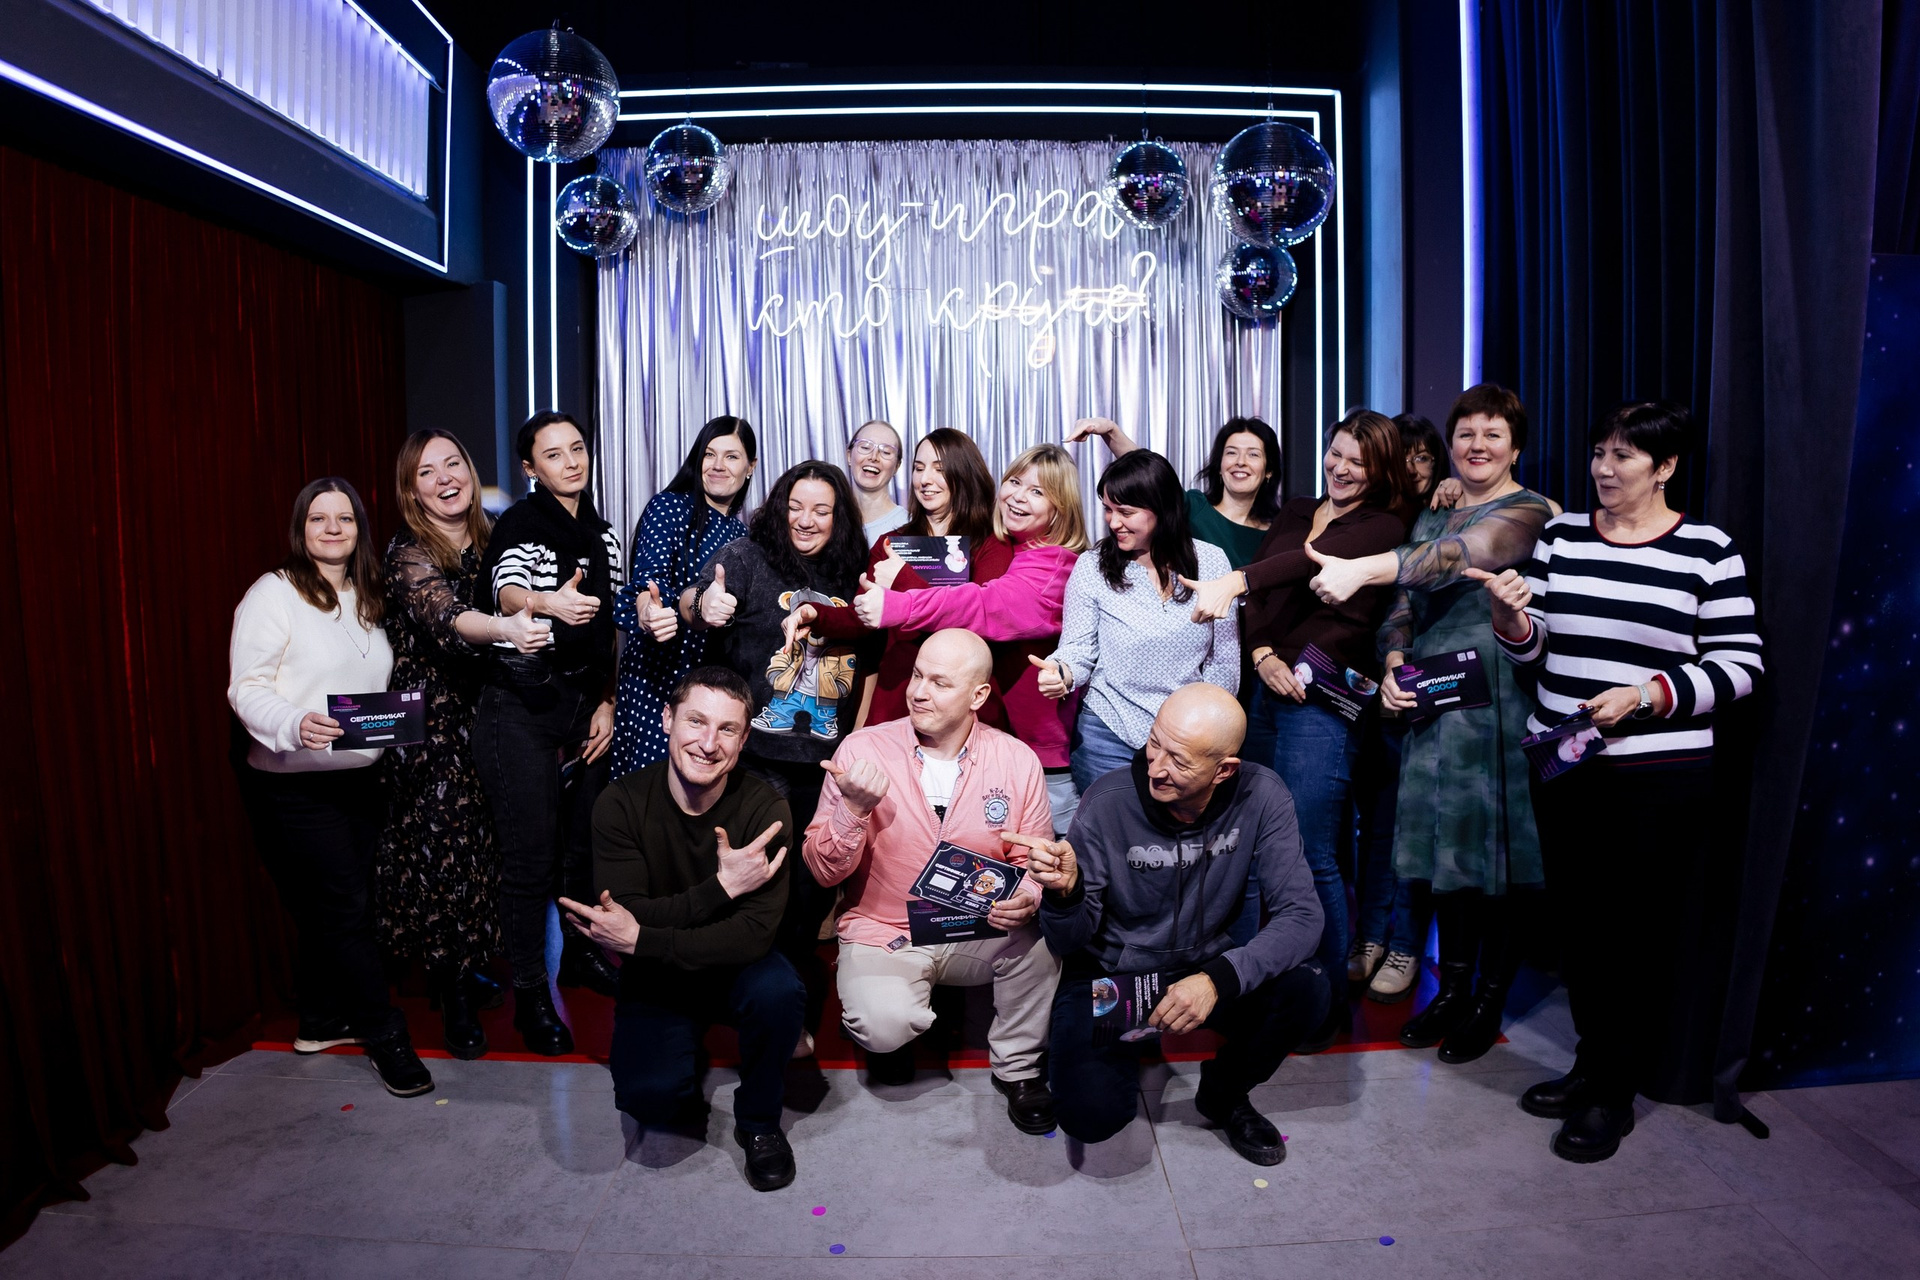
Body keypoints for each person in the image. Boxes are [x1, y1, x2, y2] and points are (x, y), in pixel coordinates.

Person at [1480, 401, 1763, 1163]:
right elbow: (1534, 648)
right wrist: (1509, 620)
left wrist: (1647, 695)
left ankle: (1612, 1094)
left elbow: (1741, 665)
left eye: (1623, 457)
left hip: (1657, 779)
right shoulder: (1564, 536)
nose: (1604, 469)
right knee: (1581, 930)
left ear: (1665, 467)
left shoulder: (1707, 550)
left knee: (1634, 936)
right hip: (1564, 765)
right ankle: (1591, 1063)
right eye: (1598, 453)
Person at [1303, 386, 1556, 1063]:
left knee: (1494, 856)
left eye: (1493, 434)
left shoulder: (1532, 511)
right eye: (1466, 433)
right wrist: (1393, 661)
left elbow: (1465, 554)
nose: (1477, 445)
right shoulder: (1433, 510)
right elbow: (1402, 605)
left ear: (1516, 447)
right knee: (1444, 856)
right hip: (1430, 698)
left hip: (1498, 701)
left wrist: (1362, 569)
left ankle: (1487, 1000)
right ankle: (1453, 989)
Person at [1180, 410, 1415, 1039]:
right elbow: (1263, 596)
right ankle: (1261, 988)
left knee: (1311, 857)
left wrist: (1233, 580)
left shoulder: (1382, 525)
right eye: (1336, 453)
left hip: (1321, 706)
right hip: (1264, 693)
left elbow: (1303, 567)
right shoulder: (1296, 510)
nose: (1342, 468)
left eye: (1358, 461)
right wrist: (1261, 654)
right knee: (1254, 849)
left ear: (1380, 470)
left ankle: (1325, 1005)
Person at [1032, 683, 1327, 1162]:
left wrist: (1216, 979)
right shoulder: (1108, 802)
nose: (1156, 767)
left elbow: (1303, 916)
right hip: (1115, 974)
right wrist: (1065, 895)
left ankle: (1224, 1094)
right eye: (1155, 743)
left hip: (1204, 966)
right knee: (1090, 1117)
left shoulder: (1263, 795)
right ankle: (1117, 1046)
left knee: (1308, 988)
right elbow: (1068, 940)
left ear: (1224, 770)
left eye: (1180, 761)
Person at [802, 629, 1060, 1133]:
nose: (919, 692)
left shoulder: (1016, 759)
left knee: (1046, 940)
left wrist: (1028, 896)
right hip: (885, 928)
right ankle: (896, 1028)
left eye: (940, 683)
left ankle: (1019, 1068)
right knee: (883, 1027)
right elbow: (822, 869)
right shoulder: (863, 749)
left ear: (978, 696)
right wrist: (853, 809)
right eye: (917, 676)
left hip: (977, 926)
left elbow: (1033, 858)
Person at [559, 666, 802, 1191]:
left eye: (727, 729)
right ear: (668, 719)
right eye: (696, 721)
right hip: (658, 975)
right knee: (653, 1100)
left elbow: (751, 935)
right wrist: (722, 889)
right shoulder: (620, 804)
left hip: (733, 965)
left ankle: (760, 1121)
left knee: (780, 992)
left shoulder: (766, 809)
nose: (708, 744)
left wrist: (644, 937)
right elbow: (627, 914)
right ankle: (683, 1044)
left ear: (744, 739)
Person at [228, 478, 432, 1097]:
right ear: (301, 528)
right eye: (319, 518)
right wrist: (294, 723)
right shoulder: (273, 593)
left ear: (359, 528)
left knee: (337, 907)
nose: (333, 528)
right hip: (297, 787)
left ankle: (319, 1020)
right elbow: (246, 688)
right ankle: (385, 1035)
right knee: (347, 909)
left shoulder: (366, 596)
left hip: (361, 780)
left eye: (345, 518)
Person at [378, 431, 553, 1059]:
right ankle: (450, 989)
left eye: (453, 463)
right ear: (412, 490)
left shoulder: (495, 536)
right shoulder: (406, 552)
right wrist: (507, 627)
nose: (445, 478)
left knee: (486, 848)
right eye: (427, 472)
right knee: (442, 853)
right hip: (430, 725)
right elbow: (447, 622)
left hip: (491, 710)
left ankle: (474, 963)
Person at [686, 460, 871, 1049]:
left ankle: (786, 1010)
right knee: (758, 884)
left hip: (827, 763)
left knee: (811, 892)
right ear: (778, 507)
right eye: (795, 506)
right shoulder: (747, 557)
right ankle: (748, 1007)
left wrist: (860, 740)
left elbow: (874, 657)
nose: (806, 520)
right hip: (759, 757)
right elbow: (699, 597)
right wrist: (702, 605)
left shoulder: (856, 570)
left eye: (821, 509)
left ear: (839, 516)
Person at [472, 411, 624, 1055]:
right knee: (530, 859)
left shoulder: (604, 535)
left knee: (582, 849)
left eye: (578, 448)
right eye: (553, 454)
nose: (571, 461)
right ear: (530, 468)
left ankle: (580, 958)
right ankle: (532, 993)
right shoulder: (522, 523)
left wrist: (608, 699)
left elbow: (613, 628)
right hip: (519, 706)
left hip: (583, 706)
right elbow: (506, 591)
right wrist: (546, 602)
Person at [852, 443, 1088, 834]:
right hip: (1000, 741)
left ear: (1060, 508)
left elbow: (983, 607)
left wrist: (901, 595)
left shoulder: (1053, 563)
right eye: (1015, 482)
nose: (1018, 496)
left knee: (1044, 862)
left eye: (1037, 491)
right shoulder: (1012, 548)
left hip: (1043, 757)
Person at [1032, 450, 1240, 797]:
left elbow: (1224, 662)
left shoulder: (1212, 562)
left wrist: (1205, 729)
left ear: (1162, 508)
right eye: (1108, 509)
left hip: (1188, 737)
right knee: (1109, 829)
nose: (1113, 522)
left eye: (1126, 512)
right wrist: (1061, 673)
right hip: (1108, 730)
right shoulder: (1093, 566)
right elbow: (1077, 649)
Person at [796, 429, 1014, 733]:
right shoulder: (892, 542)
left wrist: (902, 580)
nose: (925, 479)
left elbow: (976, 623)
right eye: (918, 468)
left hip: (960, 704)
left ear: (964, 472)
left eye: (939, 469)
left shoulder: (990, 545)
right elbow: (860, 618)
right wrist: (815, 614)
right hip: (898, 693)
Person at [1344, 413, 1449, 1003]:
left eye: (1424, 457)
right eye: (1401, 456)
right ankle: (1368, 936)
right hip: (1361, 691)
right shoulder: (1365, 513)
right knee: (1375, 829)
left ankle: (1405, 942)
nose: (1412, 467)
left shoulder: (1442, 515)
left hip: (1423, 689)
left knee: (1413, 830)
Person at [611, 416, 758, 778]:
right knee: (650, 790)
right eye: (709, 454)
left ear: (751, 467)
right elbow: (648, 585)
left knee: (704, 791)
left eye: (732, 456)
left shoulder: (745, 535)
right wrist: (649, 612)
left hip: (714, 688)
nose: (718, 465)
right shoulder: (670, 507)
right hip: (658, 677)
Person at [1066, 415, 1281, 569]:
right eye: (1231, 453)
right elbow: (1151, 473)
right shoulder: (1195, 507)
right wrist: (1110, 430)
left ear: (1269, 470)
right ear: (1219, 465)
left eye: (1253, 455)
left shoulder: (1278, 532)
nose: (1240, 462)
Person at [847, 419, 908, 543]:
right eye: (865, 447)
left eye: (886, 452)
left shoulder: (908, 527)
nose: (874, 457)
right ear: (849, 456)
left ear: (897, 466)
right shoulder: (826, 519)